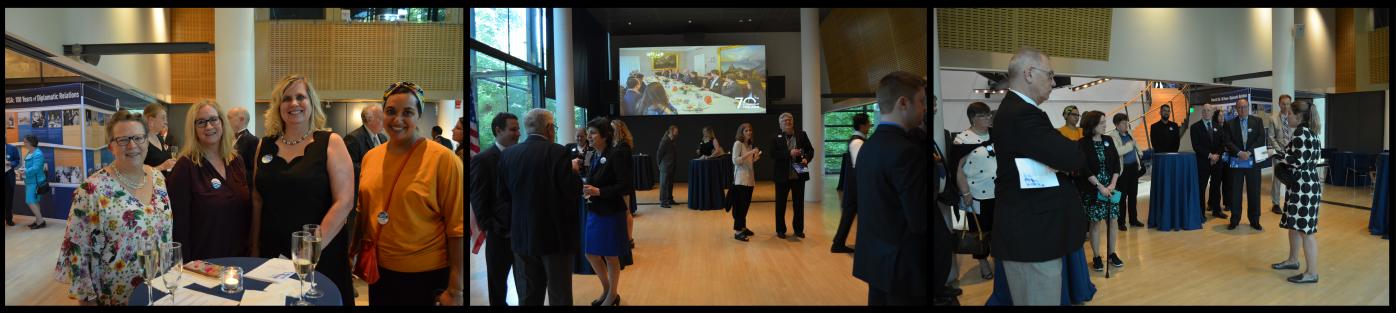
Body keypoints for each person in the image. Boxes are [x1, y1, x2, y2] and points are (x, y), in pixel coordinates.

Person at [987, 48, 1087, 305]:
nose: (1054, 82)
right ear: (1029, 73)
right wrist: (1068, 155)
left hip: (1033, 233)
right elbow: (1072, 156)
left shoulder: (1017, 112)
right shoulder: (1021, 114)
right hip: (1031, 236)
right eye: (1051, 75)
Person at [250, 74, 356, 305]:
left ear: (312, 103)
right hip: (273, 251)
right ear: (278, 106)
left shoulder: (330, 142)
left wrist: (310, 250)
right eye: (286, 98)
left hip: (320, 252)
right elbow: (257, 198)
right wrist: (254, 245)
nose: (294, 104)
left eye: (300, 97)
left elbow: (345, 201)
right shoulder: (264, 144)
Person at [356, 82, 465, 305]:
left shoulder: (444, 160)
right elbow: (363, 211)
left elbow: (458, 228)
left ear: (419, 116)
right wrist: (352, 253)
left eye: (407, 113)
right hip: (380, 272)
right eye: (390, 112)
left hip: (426, 276)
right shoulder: (371, 157)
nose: (397, 120)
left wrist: (455, 289)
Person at [53, 110, 172, 305]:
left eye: (138, 138)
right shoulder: (91, 190)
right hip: (115, 295)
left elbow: (165, 234)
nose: (132, 145)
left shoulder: (158, 178)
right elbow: (80, 253)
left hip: (159, 288)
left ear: (146, 141)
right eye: (123, 140)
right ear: (111, 147)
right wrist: (87, 300)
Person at [853, 71, 927, 305]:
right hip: (902, 266)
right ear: (903, 103)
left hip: (875, 260)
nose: (924, 108)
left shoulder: (868, 147)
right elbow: (919, 221)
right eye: (921, 101)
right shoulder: (907, 152)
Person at [498, 108, 581, 306]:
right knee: (559, 295)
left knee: (528, 296)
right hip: (555, 238)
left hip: (522, 237)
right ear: (549, 128)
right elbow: (572, 191)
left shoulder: (508, 155)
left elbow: (503, 196)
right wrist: (574, 171)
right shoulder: (558, 153)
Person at [169, 99, 251, 261]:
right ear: (193, 129)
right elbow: (179, 228)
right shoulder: (185, 167)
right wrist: (184, 267)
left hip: (239, 260)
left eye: (213, 119)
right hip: (202, 264)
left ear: (222, 122)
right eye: (201, 122)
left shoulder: (236, 161)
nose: (209, 126)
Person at [573, 117, 632, 306]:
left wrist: (599, 191)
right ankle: (607, 289)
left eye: (593, 133)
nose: (588, 137)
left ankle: (612, 295)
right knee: (590, 253)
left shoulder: (616, 154)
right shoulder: (592, 154)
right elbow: (590, 177)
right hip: (594, 210)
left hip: (611, 212)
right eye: (588, 133)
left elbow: (624, 185)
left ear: (605, 135)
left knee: (610, 255)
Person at [1270, 100, 1323, 284]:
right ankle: (1293, 260)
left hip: (1303, 187)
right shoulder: (1313, 132)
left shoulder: (1301, 132)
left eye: (1290, 113)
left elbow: (1297, 161)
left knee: (1305, 231)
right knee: (1294, 226)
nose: (1287, 116)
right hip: (1305, 185)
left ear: (1299, 116)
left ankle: (1312, 273)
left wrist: (1275, 154)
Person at [470, 112, 519, 306]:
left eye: (518, 129)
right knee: (498, 285)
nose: (518, 133)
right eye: (513, 129)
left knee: (524, 280)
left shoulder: (518, 156)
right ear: (498, 130)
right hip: (498, 234)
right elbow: (478, 198)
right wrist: (489, 227)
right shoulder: (483, 159)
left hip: (521, 232)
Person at [952, 102, 997, 277]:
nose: (988, 118)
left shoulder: (994, 135)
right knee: (980, 230)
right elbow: (957, 169)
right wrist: (965, 193)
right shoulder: (962, 139)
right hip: (976, 193)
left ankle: (998, 259)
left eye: (988, 114)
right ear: (972, 118)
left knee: (998, 228)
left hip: (998, 191)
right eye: (983, 115)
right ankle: (983, 262)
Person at [1076, 111, 1124, 271]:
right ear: (1092, 125)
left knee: (1113, 221)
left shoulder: (1108, 140)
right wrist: (1100, 187)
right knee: (1095, 224)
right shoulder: (1082, 143)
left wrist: (1112, 184)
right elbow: (1084, 169)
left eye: (1105, 122)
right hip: (1093, 189)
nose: (1105, 125)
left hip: (1110, 189)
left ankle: (1112, 253)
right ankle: (1097, 256)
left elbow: (1116, 164)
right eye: (1102, 123)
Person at [1221, 98, 1269, 231]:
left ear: (1249, 108)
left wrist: (1248, 152)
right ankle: (1234, 219)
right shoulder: (1229, 123)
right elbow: (1227, 141)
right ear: (1236, 109)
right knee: (1235, 192)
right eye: (1240, 107)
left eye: (1245, 107)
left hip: (1252, 162)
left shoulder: (1257, 121)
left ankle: (1255, 220)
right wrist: (1239, 152)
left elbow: (1261, 139)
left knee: (1254, 192)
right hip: (1237, 162)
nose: (1242, 110)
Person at [771, 112, 814, 239]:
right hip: (782, 174)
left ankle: (799, 230)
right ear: (780, 124)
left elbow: (810, 150)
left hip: (799, 171)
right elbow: (773, 153)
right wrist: (789, 153)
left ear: (793, 122)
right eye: (784, 121)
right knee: (780, 204)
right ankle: (780, 230)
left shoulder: (802, 134)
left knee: (799, 204)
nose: (788, 122)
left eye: (789, 120)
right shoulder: (775, 137)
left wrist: (806, 159)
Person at [832, 112, 871, 253]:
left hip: (854, 189)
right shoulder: (857, 142)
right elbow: (860, 166)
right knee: (850, 217)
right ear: (862, 125)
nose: (870, 125)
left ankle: (838, 243)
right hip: (856, 189)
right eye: (868, 123)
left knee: (848, 217)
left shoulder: (857, 140)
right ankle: (838, 243)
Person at [1106, 113, 1145, 230]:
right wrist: (1130, 145)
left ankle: (1133, 220)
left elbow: (1136, 144)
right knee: (1122, 197)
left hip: (1133, 168)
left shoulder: (1129, 133)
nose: (1126, 125)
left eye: (1126, 122)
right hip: (1122, 171)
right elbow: (1118, 151)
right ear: (1117, 125)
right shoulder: (1112, 136)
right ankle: (1121, 222)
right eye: (1123, 123)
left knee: (1133, 195)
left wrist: (1140, 152)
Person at [1190, 105, 1228, 219]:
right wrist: (1210, 156)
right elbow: (1196, 146)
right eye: (1204, 110)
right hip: (1203, 162)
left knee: (1216, 187)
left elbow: (1223, 144)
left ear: (1212, 113)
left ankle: (1216, 210)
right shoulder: (1195, 127)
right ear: (1202, 112)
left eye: (1208, 110)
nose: (1206, 112)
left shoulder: (1218, 127)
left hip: (1217, 162)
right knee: (1201, 188)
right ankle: (1200, 213)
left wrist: (1216, 155)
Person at [730, 123, 761, 242]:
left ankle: (742, 227)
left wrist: (756, 156)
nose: (749, 132)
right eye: (746, 130)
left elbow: (749, 161)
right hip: (740, 180)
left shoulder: (749, 145)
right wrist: (749, 153)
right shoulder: (738, 143)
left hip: (750, 180)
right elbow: (735, 161)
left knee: (745, 206)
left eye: (750, 130)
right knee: (739, 207)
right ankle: (738, 232)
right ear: (741, 132)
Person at [610, 119, 639, 241]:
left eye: (612, 129)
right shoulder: (618, 145)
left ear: (618, 130)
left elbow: (623, 168)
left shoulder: (623, 146)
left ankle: (629, 238)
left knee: (627, 212)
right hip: (623, 183)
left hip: (625, 184)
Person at [1268, 94, 1295, 214]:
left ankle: (1292, 202)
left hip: (1293, 153)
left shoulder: (1294, 118)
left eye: (1288, 103)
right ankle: (1276, 203)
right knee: (1278, 178)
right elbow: (1271, 137)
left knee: (1293, 177)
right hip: (1279, 152)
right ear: (1279, 104)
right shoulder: (1273, 118)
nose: (1285, 106)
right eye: (1283, 103)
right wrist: (1280, 151)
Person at [346, 105, 389, 179]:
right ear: (369, 120)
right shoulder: (353, 138)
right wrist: (373, 169)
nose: (385, 122)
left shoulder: (383, 138)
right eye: (381, 118)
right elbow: (349, 166)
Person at [18, 135, 49, 229]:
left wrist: (25, 171)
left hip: (35, 181)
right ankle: (38, 220)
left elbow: (36, 168)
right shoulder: (30, 152)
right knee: (34, 201)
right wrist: (23, 169)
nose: (24, 143)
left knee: (30, 201)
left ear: (31, 143)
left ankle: (41, 221)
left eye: (25, 142)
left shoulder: (38, 154)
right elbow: (28, 165)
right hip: (29, 180)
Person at [142, 103, 178, 173]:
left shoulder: (160, 138)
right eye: (163, 118)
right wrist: (162, 167)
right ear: (151, 120)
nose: (166, 122)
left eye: (166, 118)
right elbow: (139, 173)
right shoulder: (142, 142)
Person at [228, 107, 260, 177]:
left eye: (229, 117)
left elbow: (254, 169)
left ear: (241, 119)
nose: (226, 120)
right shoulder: (229, 139)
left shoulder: (252, 140)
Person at [656, 125, 678, 208]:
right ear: (671, 131)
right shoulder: (665, 141)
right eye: (676, 131)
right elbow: (659, 153)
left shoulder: (672, 140)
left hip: (672, 165)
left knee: (670, 184)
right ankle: (663, 201)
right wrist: (659, 164)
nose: (677, 133)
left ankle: (669, 199)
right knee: (664, 184)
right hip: (665, 166)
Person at [5, 142, 19, 226]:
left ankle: (9, 219)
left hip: (8, 176)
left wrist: (10, 163)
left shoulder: (12, 148)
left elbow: (17, 160)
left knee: (8, 199)